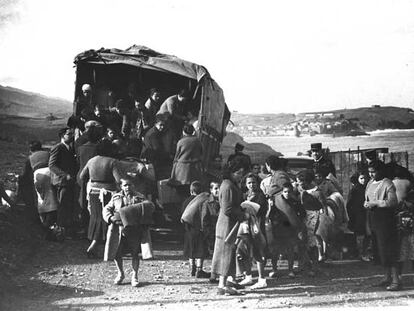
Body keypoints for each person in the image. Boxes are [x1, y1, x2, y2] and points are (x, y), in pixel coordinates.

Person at [103, 177, 153, 287]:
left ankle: (135, 276)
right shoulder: (116, 197)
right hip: (119, 230)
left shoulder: (139, 197)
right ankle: (120, 274)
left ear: (133, 186)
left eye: (130, 185)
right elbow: (107, 208)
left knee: (135, 253)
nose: (127, 187)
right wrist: (110, 218)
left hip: (134, 230)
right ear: (121, 186)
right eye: (125, 185)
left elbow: (148, 207)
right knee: (117, 252)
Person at [211, 159, 248, 295]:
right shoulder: (227, 186)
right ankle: (222, 285)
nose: (240, 176)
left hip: (230, 223)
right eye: (238, 173)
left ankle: (225, 282)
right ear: (231, 172)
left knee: (228, 252)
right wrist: (243, 214)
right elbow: (227, 209)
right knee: (225, 253)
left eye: (242, 173)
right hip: (227, 224)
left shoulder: (230, 184)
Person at [80, 140, 121, 258]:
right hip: (108, 193)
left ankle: (95, 244)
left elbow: (82, 176)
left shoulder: (91, 161)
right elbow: (118, 179)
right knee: (107, 218)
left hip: (93, 193)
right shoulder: (112, 162)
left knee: (95, 217)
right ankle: (98, 245)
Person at [364, 160, 400, 291]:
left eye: (374, 171)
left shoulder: (387, 183)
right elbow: (368, 198)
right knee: (379, 249)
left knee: (388, 248)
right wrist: (367, 203)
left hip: (385, 220)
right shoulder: (370, 183)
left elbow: (392, 202)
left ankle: (396, 280)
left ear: (381, 171)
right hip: (374, 218)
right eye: (370, 172)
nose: (371, 174)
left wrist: (376, 203)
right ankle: (387, 277)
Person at [268, 182, 306, 278]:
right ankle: (274, 269)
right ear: (282, 192)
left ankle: (290, 270)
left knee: (290, 250)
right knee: (275, 250)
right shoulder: (276, 201)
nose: (287, 194)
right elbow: (271, 215)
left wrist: (297, 224)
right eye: (285, 192)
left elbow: (302, 213)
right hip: (278, 229)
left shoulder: (295, 202)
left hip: (290, 229)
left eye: (289, 192)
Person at [237, 173, 268, 289]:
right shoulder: (245, 195)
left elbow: (259, 210)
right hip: (245, 225)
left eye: (253, 182)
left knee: (258, 250)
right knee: (243, 248)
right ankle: (248, 275)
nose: (251, 185)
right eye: (249, 183)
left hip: (256, 225)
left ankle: (262, 278)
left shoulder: (260, 195)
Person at [48, 128, 78, 239]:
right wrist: (65, 175)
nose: (71, 136)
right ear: (62, 136)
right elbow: (52, 165)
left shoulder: (70, 148)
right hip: (61, 182)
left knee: (67, 206)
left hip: (68, 182)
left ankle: (65, 231)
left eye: (72, 134)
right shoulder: (58, 147)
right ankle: (60, 232)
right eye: (69, 134)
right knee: (62, 206)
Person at [181, 181, 210, 278]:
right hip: (199, 229)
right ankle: (199, 269)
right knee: (200, 250)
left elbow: (182, 214)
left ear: (191, 191)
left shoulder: (186, 201)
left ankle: (192, 268)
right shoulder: (203, 200)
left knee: (191, 249)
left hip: (189, 229)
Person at [169, 124, 203, 197]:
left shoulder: (181, 142)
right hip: (195, 168)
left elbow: (177, 155)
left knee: (181, 190)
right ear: (193, 131)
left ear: (183, 132)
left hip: (182, 169)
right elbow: (201, 152)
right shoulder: (197, 141)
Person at [346, 171, 371, 261]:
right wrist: (351, 215)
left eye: (365, 178)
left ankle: (364, 252)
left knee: (367, 234)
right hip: (357, 214)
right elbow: (349, 204)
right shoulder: (355, 189)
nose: (363, 180)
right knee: (359, 234)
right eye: (361, 178)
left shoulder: (368, 188)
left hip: (366, 213)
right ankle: (360, 252)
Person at [141, 114, 170, 179]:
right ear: (155, 124)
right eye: (160, 125)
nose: (162, 127)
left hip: (153, 157)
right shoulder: (153, 134)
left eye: (163, 125)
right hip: (152, 159)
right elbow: (157, 148)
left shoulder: (155, 132)